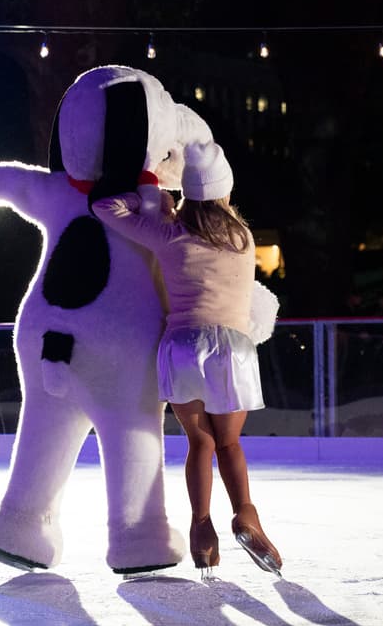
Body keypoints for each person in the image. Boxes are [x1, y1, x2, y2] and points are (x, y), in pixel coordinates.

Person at [95, 141, 281, 579]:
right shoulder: (243, 238)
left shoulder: (169, 233)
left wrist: (153, 200)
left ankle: (202, 530)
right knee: (230, 443)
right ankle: (246, 515)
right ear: (224, 192)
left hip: (182, 346)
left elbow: (106, 208)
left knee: (200, 443)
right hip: (231, 349)